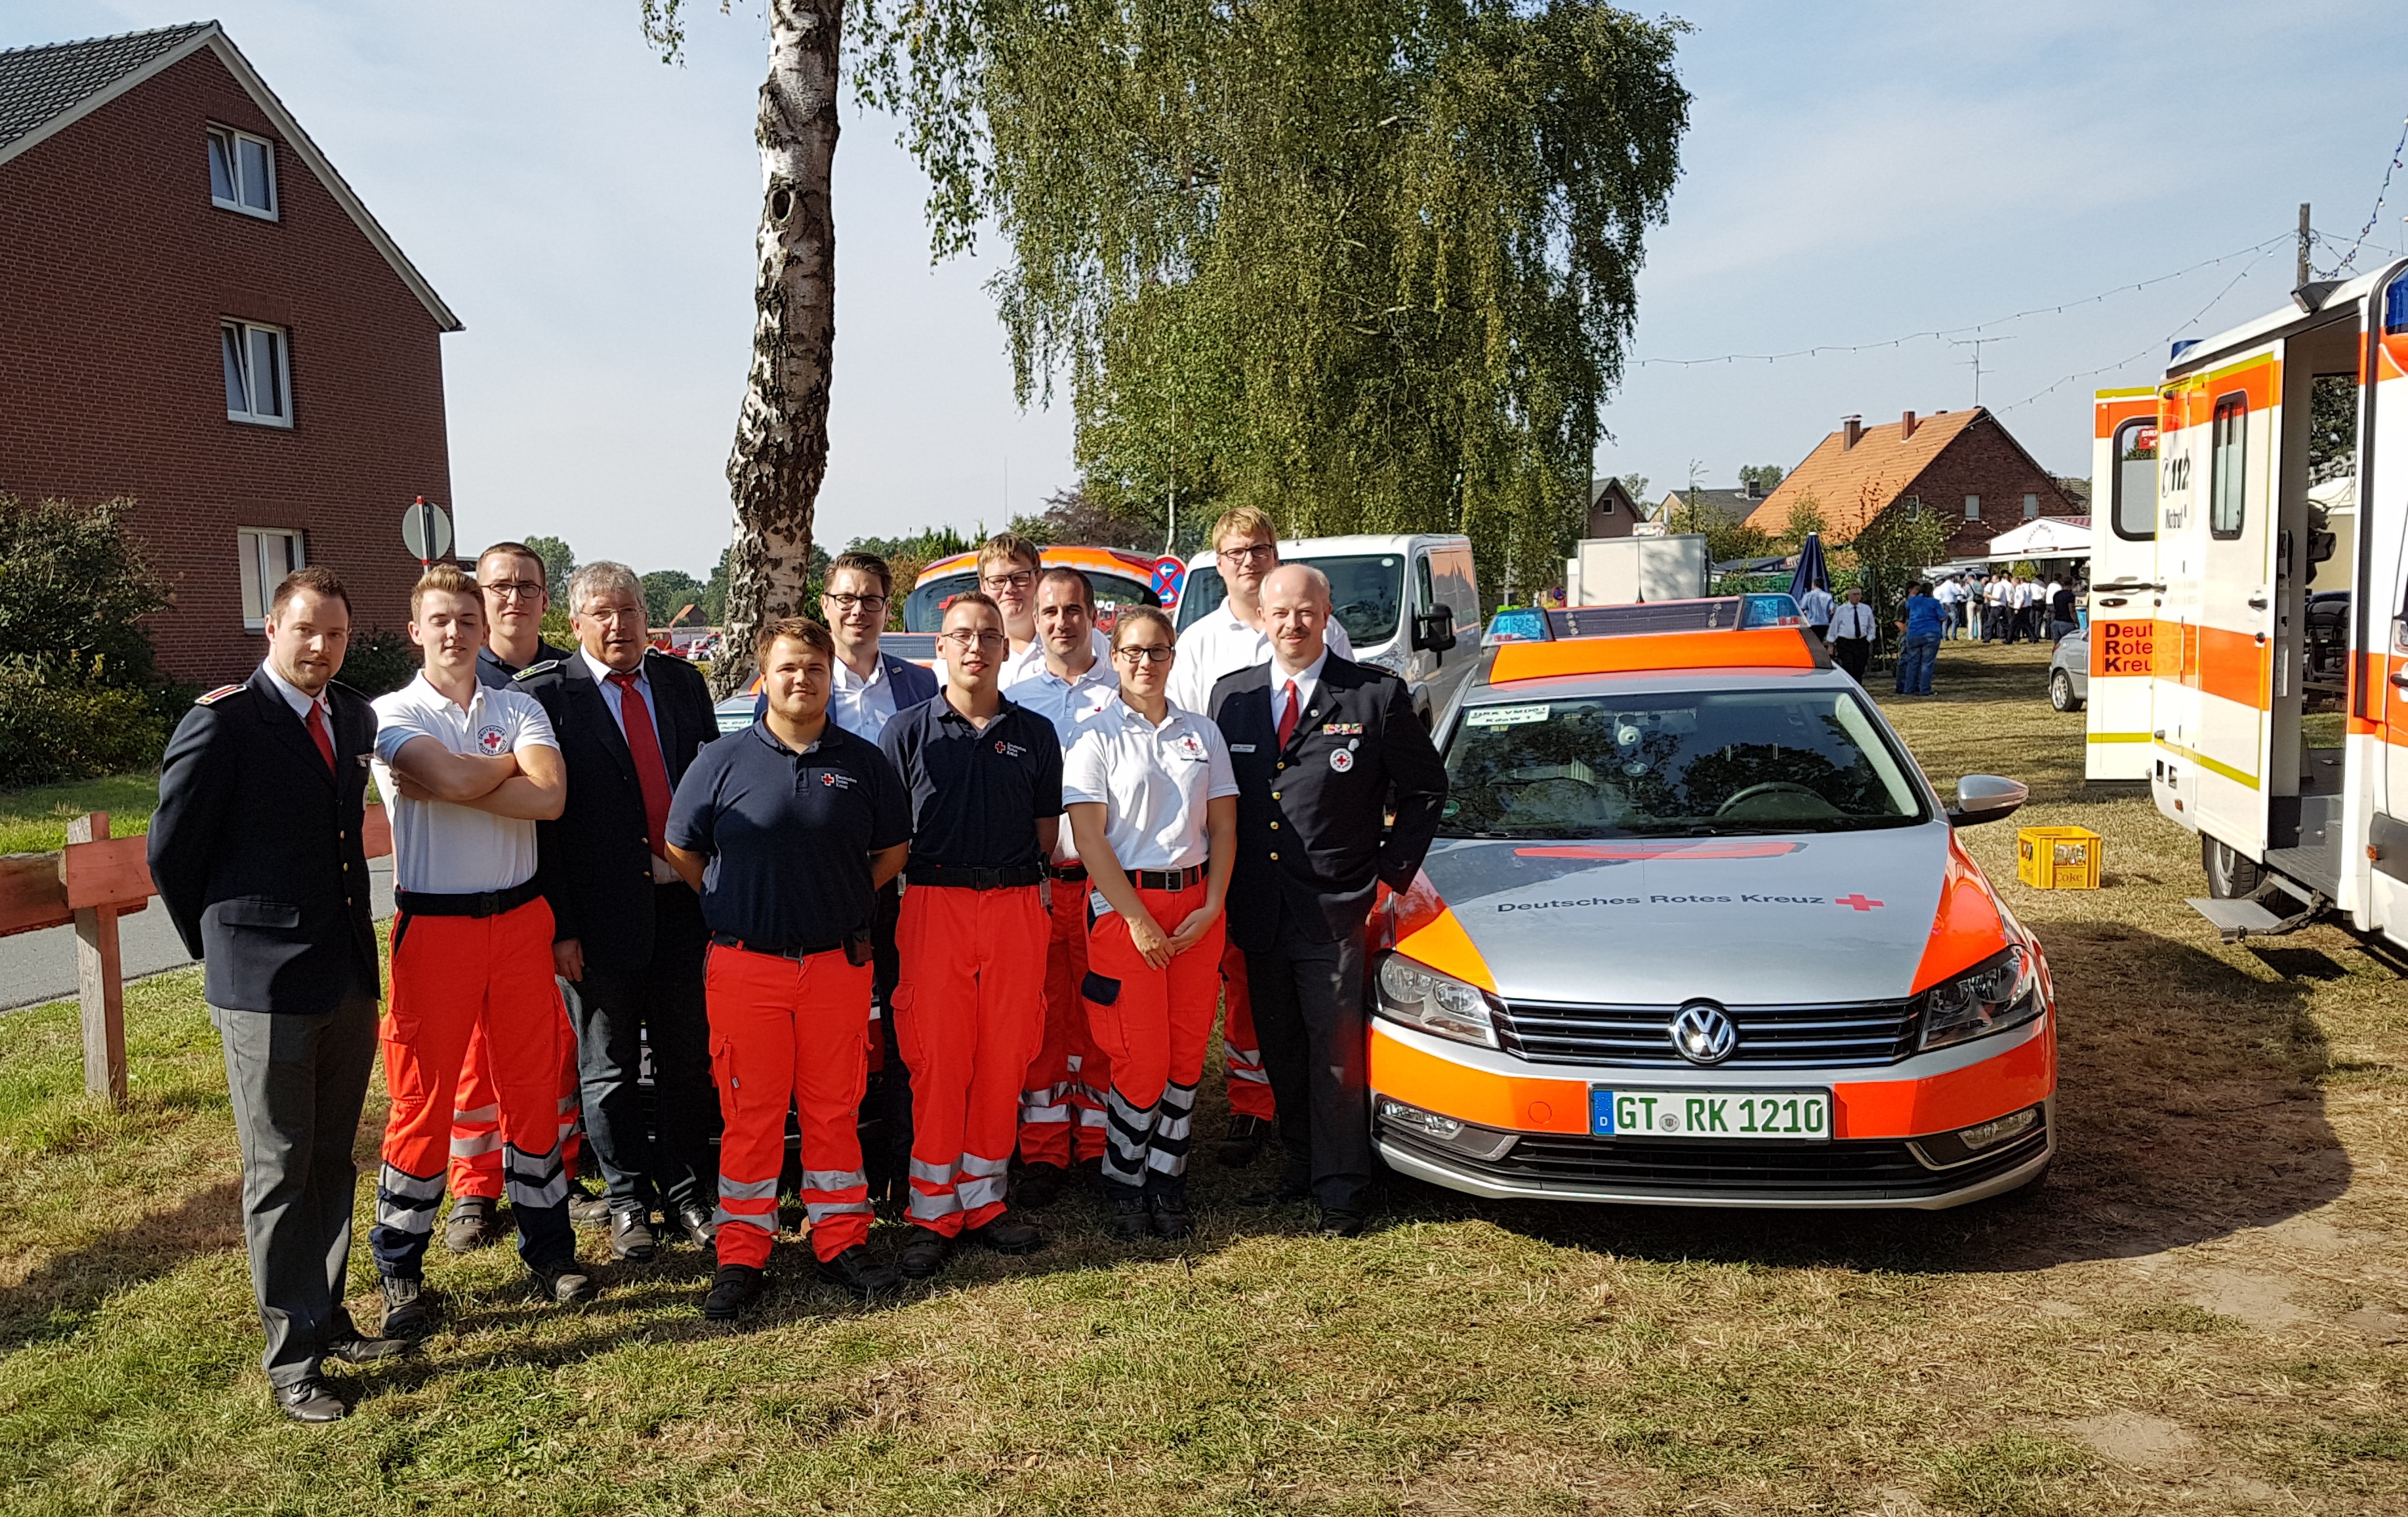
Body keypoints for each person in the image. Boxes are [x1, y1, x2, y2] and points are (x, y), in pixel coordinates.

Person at [150, 567, 409, 1423]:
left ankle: (327, 1316)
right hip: (260, 983)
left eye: (335, 634)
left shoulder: (352, 715)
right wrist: (224, 953)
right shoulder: (222, 722)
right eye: (306, 632)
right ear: (273, 628)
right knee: (277, 1172)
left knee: (331, 1159)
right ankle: (293, 1362)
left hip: (340, 973)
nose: (322, 649)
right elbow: (171, 855)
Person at [664, 617, 912, 1319]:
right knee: (750, 1114)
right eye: (786, 669)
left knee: (834, 1109)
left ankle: (840, 1238)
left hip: (836, 967)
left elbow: (891, 852)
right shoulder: (720, 760)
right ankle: (742, 1251)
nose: (800, 680)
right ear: (762, 678)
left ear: (830, 675)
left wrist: (835, 893)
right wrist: (728, 895)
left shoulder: (863, 762)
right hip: (746, 968)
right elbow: (682, 848)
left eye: (813, 667)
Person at [368, 563, 590, 1339]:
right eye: (441, 621)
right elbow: (458, 776)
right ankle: (400, 1266)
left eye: (467, 618)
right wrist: (501, 774)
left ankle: (550, 1251)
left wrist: (464, 779)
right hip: (435, 928)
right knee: (425, 1098)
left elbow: (552, 797)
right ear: (416, 630)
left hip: (521, 919)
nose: (457, 632)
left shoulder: (518, 703)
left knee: (532, 1085)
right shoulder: (389, 712)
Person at [1209, 565, 1446, 1236]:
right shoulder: (1232, 698)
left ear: (1326, 614)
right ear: (1260, 617)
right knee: (1280, 1044)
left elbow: (1426, 790)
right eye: (1278, 612)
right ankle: (1300, 1162)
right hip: (1259, 907)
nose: (1291, 623)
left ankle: (1342, 1186)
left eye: (1305, 612)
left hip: (1337, 906)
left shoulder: (1373, 695)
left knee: (1335, 1052)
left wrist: (1388, 875)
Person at [513, 561, 722, 1265]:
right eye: (601, 613)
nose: (618, 625)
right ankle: (629, 1200)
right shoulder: (545, 698)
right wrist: (561, 926)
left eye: (629, 610)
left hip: (683, 909)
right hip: (598, 920)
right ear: (573, 624)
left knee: (687, 1061)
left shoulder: (682, 684)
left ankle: (690, 1194)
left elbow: (709, 790)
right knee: (607, 1072)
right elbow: (542, 831)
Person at [1164, 507, 1353, 1168]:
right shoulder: (1198, 645)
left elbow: (1347, 718)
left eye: (1260, 548)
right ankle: (1250, 1104)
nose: (1249, 560)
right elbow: (1182, 744)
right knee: (1245, 980)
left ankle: (1313, 1104)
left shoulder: (1327, 628)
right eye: (1235, 551)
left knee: (1311, 986)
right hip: (1235, 837)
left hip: (1309, 842)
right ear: (1217, 564)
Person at [880, 593, 1059, 1276]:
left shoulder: (1035, 733)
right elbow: (890, 836)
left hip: (1015, 904)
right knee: (938, 1057)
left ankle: (984, 1201)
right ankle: (931, 1209)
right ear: (941, 650)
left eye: (988, 635)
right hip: (933, 904)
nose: (976, 647)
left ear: (1006, 648)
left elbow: (1045, 833)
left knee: (1005, 1053)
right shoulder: (905, 731)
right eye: (961, 636)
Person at [1063, 605, 1238, 1240]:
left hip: (1194, 907)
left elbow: (1222, 824)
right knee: (1141, 1054)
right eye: (1132, 651)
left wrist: (1213, 903)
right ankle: (1123, 1177)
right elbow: (1089, 838)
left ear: (1172, 656)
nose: (1145, 662)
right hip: (1124, 908)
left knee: (1188, 1050)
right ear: (1114, 658)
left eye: (1157, 650)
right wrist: (1136, 920)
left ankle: (1167, 1176)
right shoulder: (1094, 736)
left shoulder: (1203, 733)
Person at [445, 542, 590, 1254]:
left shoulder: (569, 677)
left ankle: (556, 1173)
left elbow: (565, 803)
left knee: (547, 1050)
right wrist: (518, 782)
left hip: (544, 890)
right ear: (478, 596)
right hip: (470, 892)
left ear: (545, 595)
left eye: (527, 586)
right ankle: (474, 1189)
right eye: (498, 585)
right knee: (474, 1056)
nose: (513, 598)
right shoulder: (461, 677)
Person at [817, 551, 939, 1207]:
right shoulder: (803, 681)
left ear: (885, 608)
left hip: (911, 884)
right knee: (837, 1031)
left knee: (905, 1025)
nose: (857, 610)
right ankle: (841, 1169)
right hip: (835, 886)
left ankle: (902, 1159)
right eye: (845, 598)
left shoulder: (918, 685)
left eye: (869, 599)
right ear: (825, 605)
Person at [1002, 567, 1122, 1205]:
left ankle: (1103, 1143)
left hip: (1106, 885)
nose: (1058, 623)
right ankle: (1045, 1149)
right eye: (1048, 612)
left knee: (1103, 1014)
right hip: (1042, 885)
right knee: (1043, 1017)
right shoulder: (1016, 694)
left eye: (1071, 611)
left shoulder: (1123, 688)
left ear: (1093, 615)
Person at [973, 532, 1113, 685]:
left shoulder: (1088, 640)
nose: (1009, 588)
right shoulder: (976, 653)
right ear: (983, 586)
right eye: (997, 581)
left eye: (1020, 578)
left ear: (1039, 578)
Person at [1894, 580, 1946, 697]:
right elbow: (1943, 616)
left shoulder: (1912, 601)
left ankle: (1908, 690)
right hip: (1931, 633)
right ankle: (1925, 690)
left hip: (1914, 633)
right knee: (1927, 663)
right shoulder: (1934, 602)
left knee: (1912, 662)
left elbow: (1907, 607)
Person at [1827, 586, 1877, 682]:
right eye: (1854, 595)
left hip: (1861, 642)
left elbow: (1872, 626)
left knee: (1860, 667)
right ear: (1849, 596)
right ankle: (1850, 685)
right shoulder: (1842, 610)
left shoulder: (1866, 609)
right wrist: (1831, 644)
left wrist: (1869, 639)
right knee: (1848, 666)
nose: (1856, 597)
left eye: (1858, 594)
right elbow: (1834, 627)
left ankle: (1858, 687)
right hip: (1845, 643)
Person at [1797, 578, 1834, 642]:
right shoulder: (1828, 596)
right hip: (1824, 624)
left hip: (1812, 623)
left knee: (1812, 643)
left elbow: (1801, 609)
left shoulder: (1808, 596)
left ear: (1814, 585)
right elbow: (1832, 611)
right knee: (1820, 641)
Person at [2048, 577, 2079, 641]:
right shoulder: (2070, 595)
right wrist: (2075, 621)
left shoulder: (2056, 595)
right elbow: (2071, 609)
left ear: (2063, 583)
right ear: (2072, 584)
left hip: (2056, 622)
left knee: (2057, 644)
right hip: (2067, 623)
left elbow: (2055, 608)